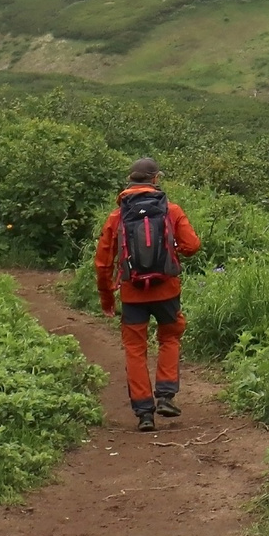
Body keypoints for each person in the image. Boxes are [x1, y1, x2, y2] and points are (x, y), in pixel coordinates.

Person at [94, 157, 201, 432]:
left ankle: (144, 414)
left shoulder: (117, 216)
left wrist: (108, 300)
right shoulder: (171, 210)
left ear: (129, 181)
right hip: (166, 290)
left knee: (135, 350)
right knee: (170, 337)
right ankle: (165, 396)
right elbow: (192, 245)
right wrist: (172, 248)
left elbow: (103, 263)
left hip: (132, 295)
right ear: (156, 179)